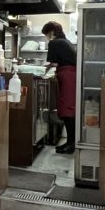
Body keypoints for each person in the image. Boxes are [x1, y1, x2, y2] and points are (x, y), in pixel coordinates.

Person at [42, 21, 77, 154]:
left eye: (46, 34)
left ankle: (71, 144)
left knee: (67, 110)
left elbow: (52, 62)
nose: (47, 37)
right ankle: (70, 142)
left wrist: (42, 71)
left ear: (51, 32)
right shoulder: (66, 42)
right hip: (71, 75)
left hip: (67, 76)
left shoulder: (55, 43)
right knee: (68, 108)